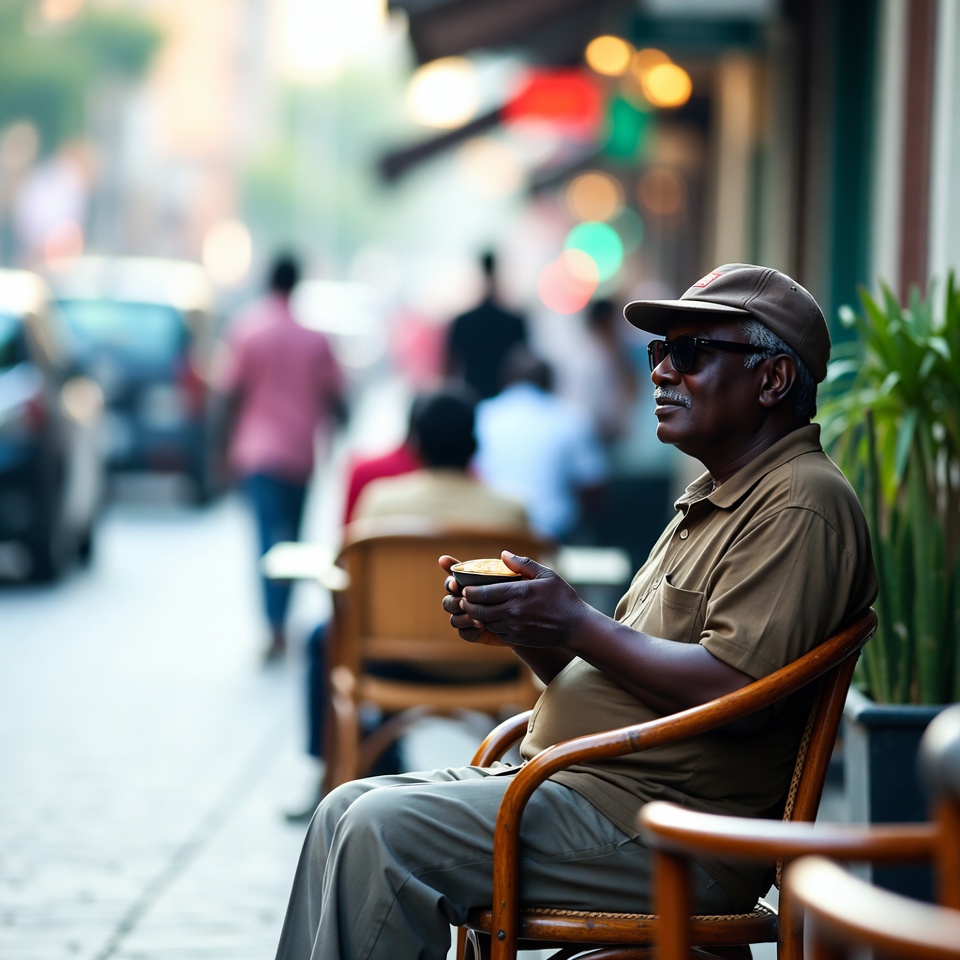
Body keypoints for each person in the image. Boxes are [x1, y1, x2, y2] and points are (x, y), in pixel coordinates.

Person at [273, 262, 879, 960]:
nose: (659, 373)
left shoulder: (801, 502)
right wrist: (529, 627)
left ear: (772, 380)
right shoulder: (717, 497)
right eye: (658, 353)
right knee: (339, 810)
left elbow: (737, 690)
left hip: (664, 825)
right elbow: (628, 673)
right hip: (590, 790)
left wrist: (575, 621)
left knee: (378, 831)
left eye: (689, 354)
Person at [291, 383, 530, 819]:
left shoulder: (381, 502)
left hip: (387, 661)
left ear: (414, 441)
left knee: (321, 637)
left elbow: (350, 581)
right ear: (474, 443)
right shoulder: (510, 512)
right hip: (487, 661)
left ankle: (328, 775)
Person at [216, 252, 346, 662]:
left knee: (267, 541)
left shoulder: (246, 330)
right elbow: (338, 399)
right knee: (290, 542)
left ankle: (273, 626)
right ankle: (279, 620)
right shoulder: (315, 339)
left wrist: (218, 450)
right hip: (298, 454)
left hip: (256, 454)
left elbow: (228, 395)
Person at [473, 344, 607, 542]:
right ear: (551, 383)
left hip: (491, 530)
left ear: (505, 381)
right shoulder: (571, 417)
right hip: (554, 536)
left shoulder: (484, 414)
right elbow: (593, 485)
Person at [444, 249, 527, 400]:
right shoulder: (514, 321)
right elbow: (524, 361)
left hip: (473, 397)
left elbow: (450, 368)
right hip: (505, 399)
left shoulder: (463, 321)